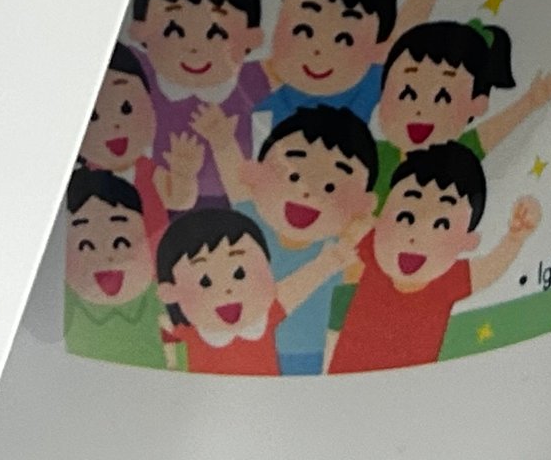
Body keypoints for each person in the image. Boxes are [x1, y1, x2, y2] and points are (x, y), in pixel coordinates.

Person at [191, 102, 378, 375]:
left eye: (329, 186)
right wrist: (221, 140)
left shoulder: (338, 250)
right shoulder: (253, 226)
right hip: (247, 346)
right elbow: (237, 183)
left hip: (304, 351)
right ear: (257, 174)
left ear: (361, 203)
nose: (307, 192)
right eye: (293, 176)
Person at [327, 143, 540, 374]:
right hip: (346, 382)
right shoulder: (377, 249)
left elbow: (489, 268)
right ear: (381, 220)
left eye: (441, 224)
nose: (415, 236)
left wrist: (515, 238)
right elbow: (344, 218)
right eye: (406, 217)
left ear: (468, 242)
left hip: (413, 390)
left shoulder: (449, 280)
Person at [246, 0, 458, 125]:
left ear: (376, 47)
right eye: (303, 30)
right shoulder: (266, 76)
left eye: (344, 39)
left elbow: (402, 36)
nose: (318, 50)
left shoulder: (367, 82)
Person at [123, 0, 271, 202]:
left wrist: (223, 142)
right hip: (153, 200)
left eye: (215, 32)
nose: (193, 47)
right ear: (141, 30)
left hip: (229, 205)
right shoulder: (138, 74)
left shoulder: (252, 79)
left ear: (251, 37)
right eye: (174, 30)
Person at [153, 206, 359, 376]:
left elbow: (299, 285)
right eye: (205, 281)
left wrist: (332, 260)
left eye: (240, 273)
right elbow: (165, 343)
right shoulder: (185, 331)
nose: (227, 289)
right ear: (170, 292)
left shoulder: (264, 317)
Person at [369, 19, 551, 198]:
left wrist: (530, 101)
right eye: (407, 93)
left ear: (477, 104)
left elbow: (489, 133)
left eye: (442, 97)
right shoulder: (373, 155)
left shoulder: (456, 157)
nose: (419, 110)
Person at [79, 44, 200, 241]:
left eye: (126, 108)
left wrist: (184, 173)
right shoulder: (80, 181)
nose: (115, 125)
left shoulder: (147, 171)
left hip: (153, 263)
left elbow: (179, 199)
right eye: (93, 116)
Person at [61, 167, 171, 368]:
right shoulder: (62, 299)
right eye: (85, 245)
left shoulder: (157, 292)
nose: (109, 257)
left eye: (121, 242)